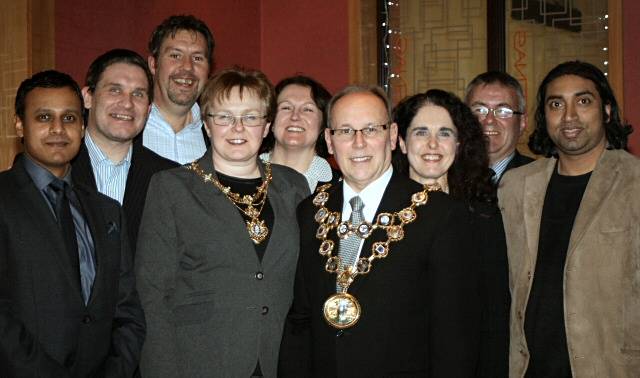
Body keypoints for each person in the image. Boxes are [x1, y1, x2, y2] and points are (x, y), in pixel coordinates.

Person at [279, 85, 481, 377]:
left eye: (371, 129)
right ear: (329, 140)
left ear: (392, 135)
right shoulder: (311, 211)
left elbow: (456, 336)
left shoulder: (440, 215)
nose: (359, 143)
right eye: (346, 131)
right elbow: (301, 322)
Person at [136, 67, 309, 377]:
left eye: (250, 117)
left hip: (280, 359)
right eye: (224, 116)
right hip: (202, 359)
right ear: (207, 123)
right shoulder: (172, 187)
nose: (237, 127)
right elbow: (152, 293)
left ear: (266, 126)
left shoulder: (294, 187)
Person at [0, 70, 145, 377]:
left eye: (68, 118)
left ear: (82, 126)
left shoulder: (107, 211)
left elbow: (127, 311)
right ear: (19, 125)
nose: (57, 129)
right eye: (43, 117)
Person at [499, 61, 638, 377]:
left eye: (583, 101)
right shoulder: (515, 187)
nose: (569, 116)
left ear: (606, 111)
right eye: (556, 104)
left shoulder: (634, 184)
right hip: (528, 368)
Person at [394, 89, 509, 377]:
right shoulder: (381, 216)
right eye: (420, 132)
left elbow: (494, 315)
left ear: (458, 143)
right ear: (401, 142)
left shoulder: (485, 217)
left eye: (445, 133)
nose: (433, 144)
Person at [72, 49, 179, 253]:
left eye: (138, 94)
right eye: (115, 90)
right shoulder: (55, 171)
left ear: (148, 110)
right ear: (87, 98)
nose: (127, 103)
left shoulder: (170, 178)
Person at [142, 14, 215, 164]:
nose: (188, 66)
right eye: (175, 55)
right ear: (153, 64)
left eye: (197, 58)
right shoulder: (128, 126)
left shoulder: (219, 132)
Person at [260, 75, 335, 192]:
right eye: (286, 108)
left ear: (323, 125)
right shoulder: (244, 176)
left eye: (308, 109)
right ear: (271, 121)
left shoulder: (341, 187)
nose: (295, 116)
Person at [465, 71, 534, 183]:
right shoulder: (445, 177)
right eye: (479, 110)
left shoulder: (540, 179)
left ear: (522, 122)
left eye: (502, 111)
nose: (489, 120)